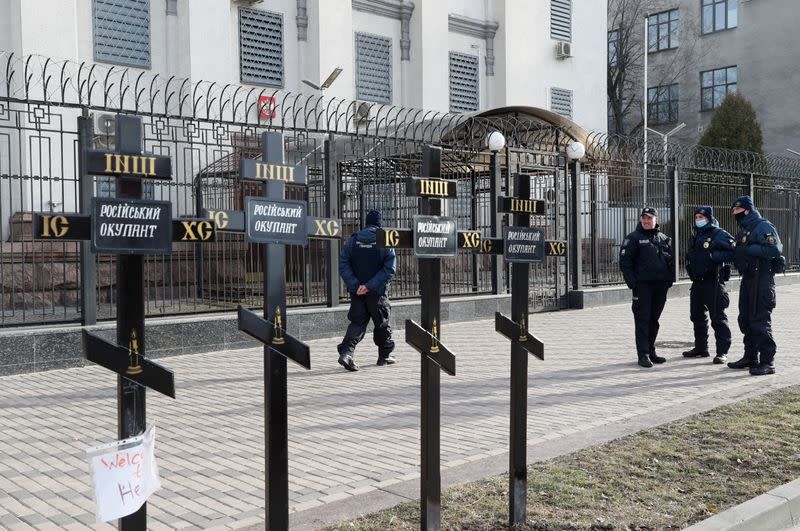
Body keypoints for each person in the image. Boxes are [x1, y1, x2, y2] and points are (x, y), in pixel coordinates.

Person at [728, 196, 784, 376]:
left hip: (762, 279)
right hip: (749, 278)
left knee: (760, 320)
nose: (735, 214)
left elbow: (775, 249)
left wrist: (750, 250)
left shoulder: (763, 226)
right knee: (745, 318)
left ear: (747, 210)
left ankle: (767, 362)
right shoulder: (745, 228)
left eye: (738, 211)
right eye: (734, 211)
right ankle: (750, 356)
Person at [337, 210, 397, 371]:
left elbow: (343, 264)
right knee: (382, 324)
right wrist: (370, 286)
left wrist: (357, 285)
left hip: (357, 293)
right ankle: (384, 356)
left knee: (357, 322)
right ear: (380, 223)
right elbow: (389, 269)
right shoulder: (384, 240)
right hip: (377, 293)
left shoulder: (353, 240)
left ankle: (346, 352)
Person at [619, 207, 675, 368]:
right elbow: (625, 262)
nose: (646, 220)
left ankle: (651, 351)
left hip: (660, 286)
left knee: (654, 320)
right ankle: (642, 354)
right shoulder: (633, 238)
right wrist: (633, 284)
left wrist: (669, 280)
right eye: (643, 218)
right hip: (642, 287)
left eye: (649, 218)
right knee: (642, 320)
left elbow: (670, 261)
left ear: (656, 219)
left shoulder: (663, 238)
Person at [682, 206, 735, 364]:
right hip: (697, 282)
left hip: (713, 281)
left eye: (701, 217)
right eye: (696, 217)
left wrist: (716, 256)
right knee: (697, 316)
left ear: (709, 218)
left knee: (718, 318)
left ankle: (722, 352)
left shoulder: (718, 233)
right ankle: (701, 348)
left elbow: (734, 250)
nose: (698, 220)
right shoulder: (696, 234)